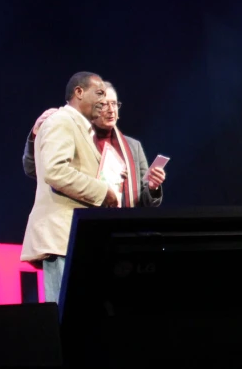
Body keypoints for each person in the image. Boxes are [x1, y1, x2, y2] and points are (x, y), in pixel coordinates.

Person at [20, 71, 119, 303]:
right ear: (79, 92)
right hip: (62, 237)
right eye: (100, 93)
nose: (105, 101)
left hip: (75, 237)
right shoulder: (62, 120)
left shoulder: (78, 127)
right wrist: (103, 191)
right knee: (67, 320)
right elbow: (54, 171)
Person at [22, 81, 166, 208]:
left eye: (114, 104)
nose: (111, 110)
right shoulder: (78, 136)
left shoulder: (134, 147)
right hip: (87, 219)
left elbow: (146, 202)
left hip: (124, 226)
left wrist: (153, 187)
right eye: (104, 104)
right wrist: (36, 135)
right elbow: (35, 170)